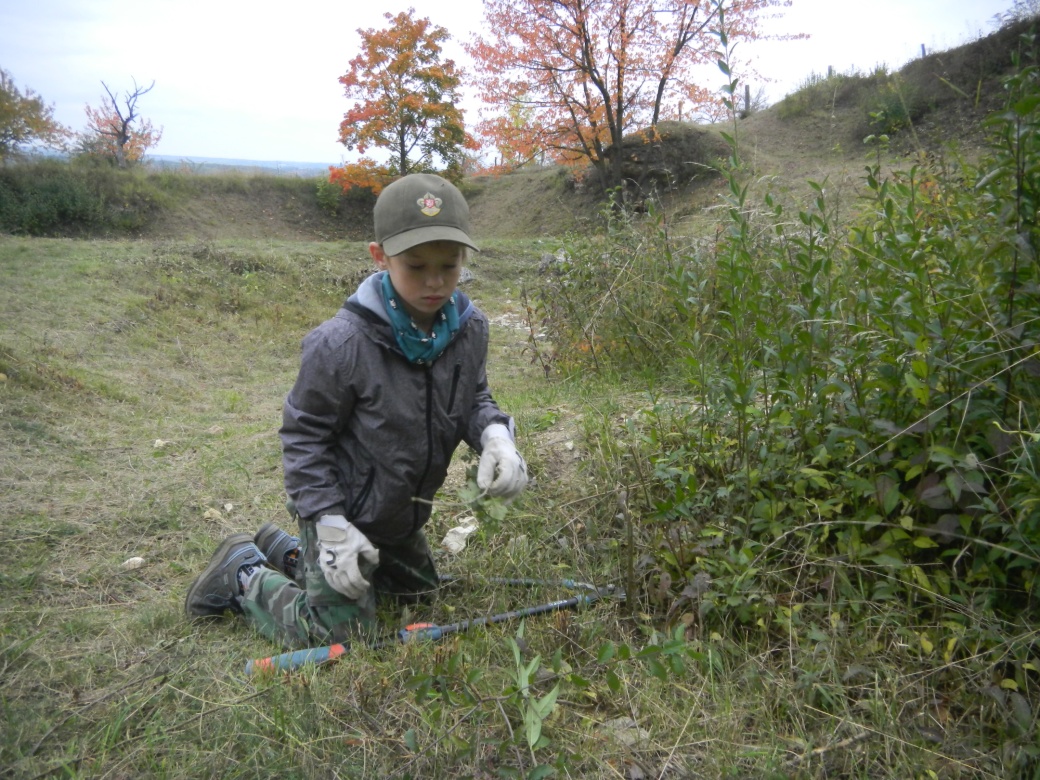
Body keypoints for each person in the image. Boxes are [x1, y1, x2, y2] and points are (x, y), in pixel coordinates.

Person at [185, 173, 528, 648]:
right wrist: (328, 524)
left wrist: (496, 435)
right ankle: (241, 572)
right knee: (341, 634)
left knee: (418, 597)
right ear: (379, 257)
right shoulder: (339, 344)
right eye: (415, 266)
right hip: (339, 512)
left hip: (403, 514)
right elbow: (304, 439)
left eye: (449, 266)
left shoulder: (470, 330)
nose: (434, 282)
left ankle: (288, 555)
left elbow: (474, 397)